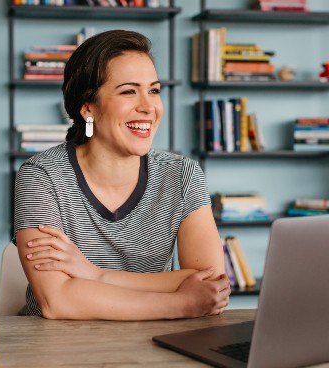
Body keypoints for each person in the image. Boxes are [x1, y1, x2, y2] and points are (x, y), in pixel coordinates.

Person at [14, 29, 230, 320]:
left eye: (153, 90)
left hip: (158, 344)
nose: (148, 106)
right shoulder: (42, 176)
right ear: (88, 108)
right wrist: (181, 303)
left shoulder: (182, 175)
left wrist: (96, 276)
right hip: (57, 350)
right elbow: (58, 300)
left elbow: (211, 283)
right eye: (129, 91)